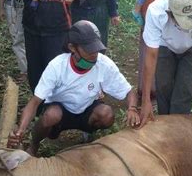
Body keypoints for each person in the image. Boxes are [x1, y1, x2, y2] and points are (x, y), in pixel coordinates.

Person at [8, 20, 140, 156]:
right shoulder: (57, 66)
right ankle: (34, 144)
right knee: (51, 116)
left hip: (87, 108)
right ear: (72, 48)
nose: (94, 54)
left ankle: (89, 133)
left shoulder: (103, 64)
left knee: (106, 114)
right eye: (89, 49)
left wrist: (132, 109)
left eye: (96, 48)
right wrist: (21, 130)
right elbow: (34, 102)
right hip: (60, 110)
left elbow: (129, 91)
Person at [14, 0, 90, 92]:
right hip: (31, 23)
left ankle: (56, 106)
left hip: (57, 24)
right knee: (34, 68)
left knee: (56, 67)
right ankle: (38, 104)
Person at [136, 0, 192, 97]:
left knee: (168, 54)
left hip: (174, 11)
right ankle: (146, 92)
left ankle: (163, 96)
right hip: (150, 8)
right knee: (148, 48)